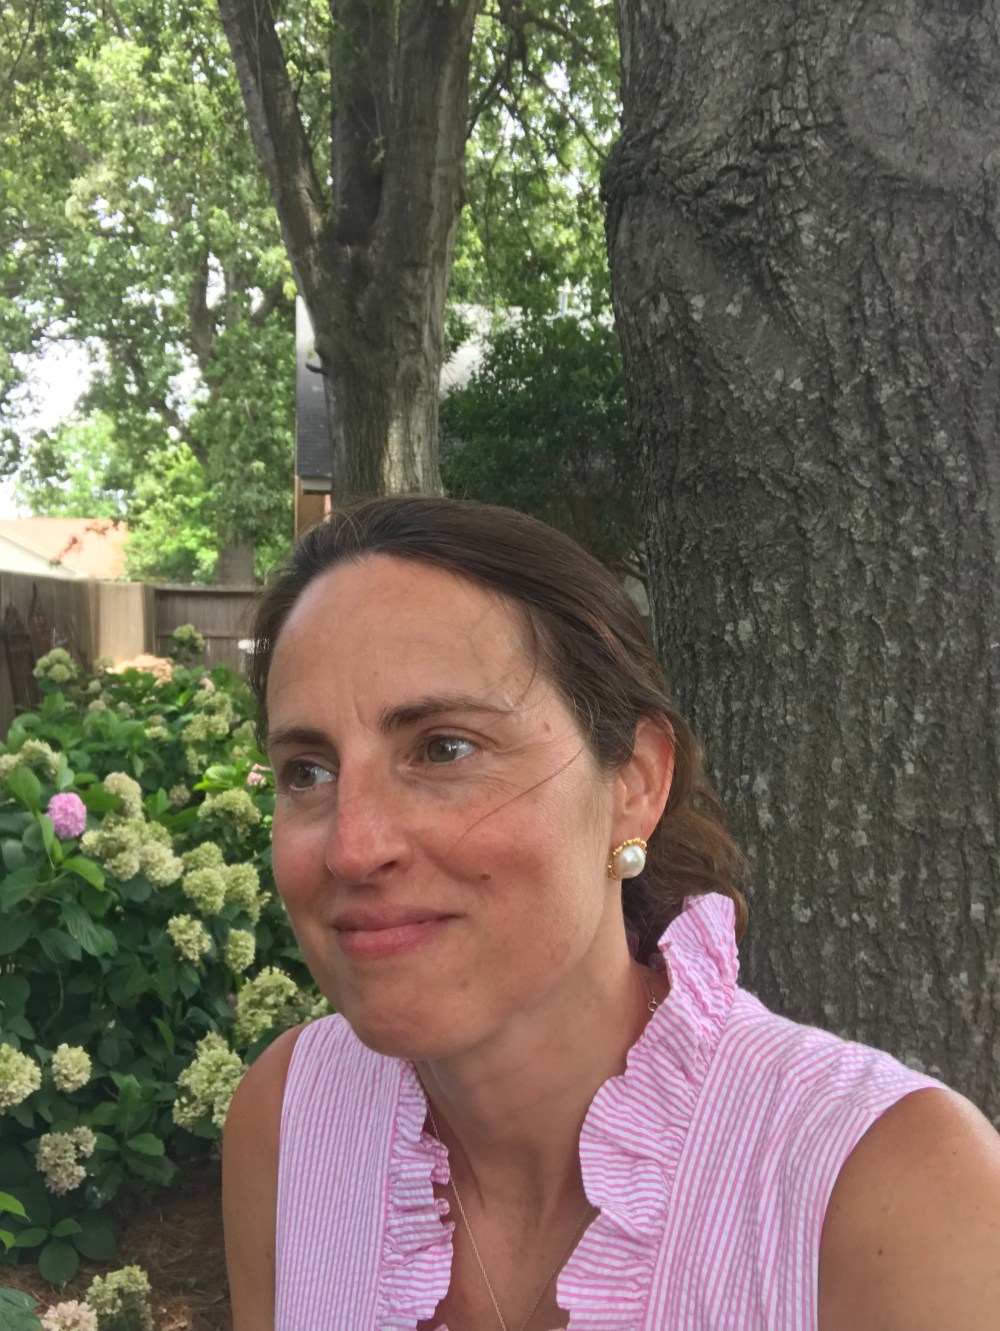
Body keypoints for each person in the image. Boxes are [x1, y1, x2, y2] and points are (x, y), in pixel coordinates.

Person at [223, 496, 1000, 1331]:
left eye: (444, 748)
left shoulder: (897, 1194)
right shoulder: (291, 1117)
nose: (352, 847)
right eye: (308, 770)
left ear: (635, 783)